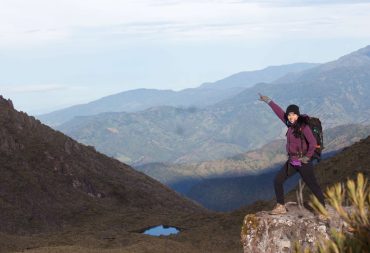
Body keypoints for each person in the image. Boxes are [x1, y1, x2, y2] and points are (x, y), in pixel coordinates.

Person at [259, 93, 325, 215]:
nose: (290, 116)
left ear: (297, 115)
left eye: (293, 114)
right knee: (277, 180)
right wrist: (268, 101)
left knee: (313, 185)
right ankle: (280, 206)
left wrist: (307, 157)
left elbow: (313, 142)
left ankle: (322, 209)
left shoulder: (303, 127)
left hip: (303, 162)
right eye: (289, 114)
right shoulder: (289, 124)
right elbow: (279, 112)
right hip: (293, 161)